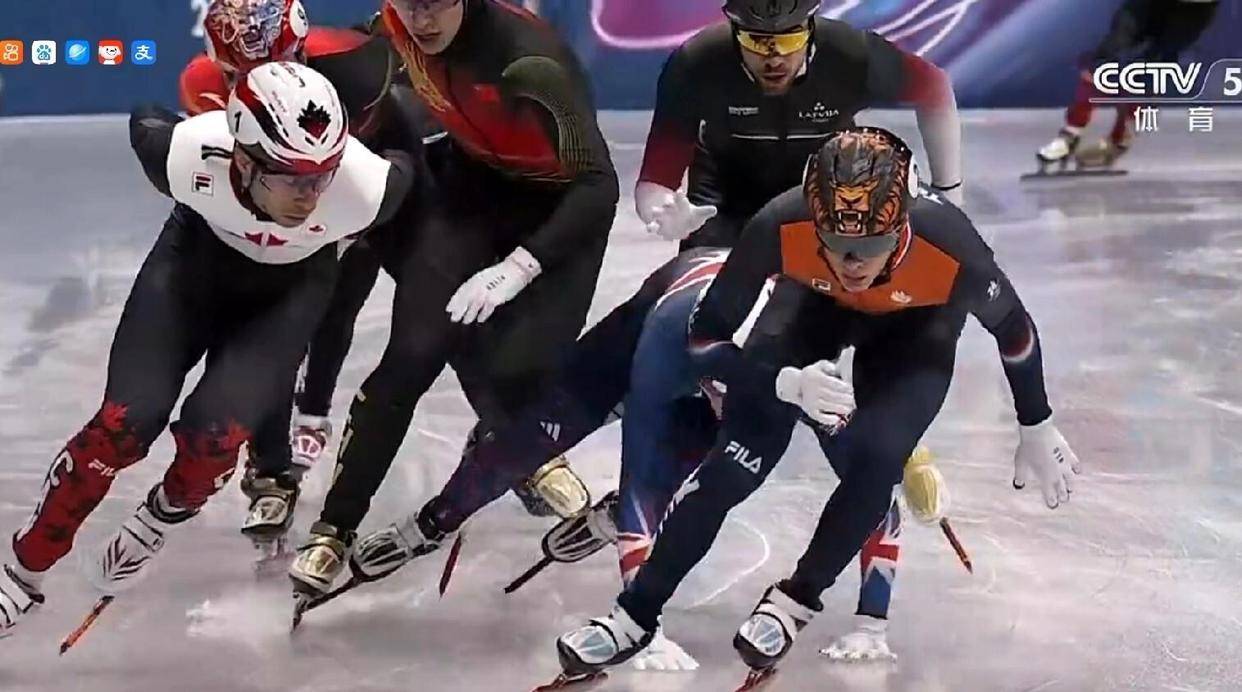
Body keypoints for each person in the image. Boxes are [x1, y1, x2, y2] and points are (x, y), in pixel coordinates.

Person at [553, 127, 1081, 679]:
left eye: (870, 246)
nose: (852, 263)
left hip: (915, 327)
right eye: (835, 240)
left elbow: (1015, 331)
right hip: (812, 306)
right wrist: (781, 381)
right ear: (814, 219)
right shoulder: (779, 223)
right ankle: (634, 615)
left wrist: (1036, 422)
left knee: (878, 458)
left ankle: (797, 599)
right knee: (732, 465)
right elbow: (704, 340)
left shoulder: (952, 245)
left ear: (902, 225)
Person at [306, 247, 948, 666]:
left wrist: (872, 621)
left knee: (716, 460)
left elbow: (872, 497)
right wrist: (642, 619)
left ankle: (621, 520)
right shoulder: (677, 337)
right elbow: (639, 462)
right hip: (645, 341)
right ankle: (433, 520)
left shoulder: (814, 364)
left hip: (761, 376)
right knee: (535, 443)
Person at [0, 62, 414, 633]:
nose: (311, 195)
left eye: (323, 176)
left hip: (288, 296)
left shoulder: (368, 189)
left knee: (215, 439)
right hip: (191, 273)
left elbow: (415, 150)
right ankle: (22, 573)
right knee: (122, 425)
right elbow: (145, 118)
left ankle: (158, 520)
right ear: (242, 160)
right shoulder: (185, 154)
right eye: (292, 178)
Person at [288, 0, 619, 599]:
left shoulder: (530, 64)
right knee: (410, 358)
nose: (422, 21)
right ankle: (333, 529)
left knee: (521, 372)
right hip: (469, 193)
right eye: (408, 4)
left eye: (436, 3)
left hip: (559, 208)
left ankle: (504, 437)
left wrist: (519, 267)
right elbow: (334, 66)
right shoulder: (390, 29)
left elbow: (599, 183)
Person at [180, 0, 435, 550]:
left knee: (357, 301)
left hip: (360, 182)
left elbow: (396, 150)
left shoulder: (358, 67)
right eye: (237, 76)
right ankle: (270, 470)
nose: (262, 89)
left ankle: (315, 412)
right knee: (269, 321)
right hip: (278, 206)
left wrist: (361, 222)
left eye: (277, 68)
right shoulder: (201, 86)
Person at [636, 0, 963, 250]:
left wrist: (949, 192)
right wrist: (662, 214)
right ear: (735, 33)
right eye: (757, 41)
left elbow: (935, 88)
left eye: (790, 40)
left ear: (811, 31)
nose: (774, 58)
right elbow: (655, 179)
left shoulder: (851, 54)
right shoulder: (695, 64)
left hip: (821, 195)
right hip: (721, 201)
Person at [1036, 0, 1221, 171]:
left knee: (1151, 68)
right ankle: (1070, 134)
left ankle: (1120, 139)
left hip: (1193, 10)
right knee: (1107, 54)